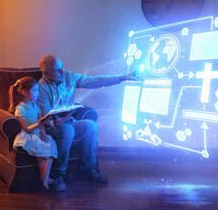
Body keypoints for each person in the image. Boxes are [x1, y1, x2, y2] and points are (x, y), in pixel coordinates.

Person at [37, 54, 139, 192]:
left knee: (91, 125)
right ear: (46, 73)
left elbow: (95, 81)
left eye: (62, 68)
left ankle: (88, 170)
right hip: (52, 127)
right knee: (68, 130)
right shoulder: (41, 87)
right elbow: (46, 117)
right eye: (57, 70)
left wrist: (123, 78)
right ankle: (57, 175)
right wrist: (58, 121)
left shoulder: (69, 77)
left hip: (68, 121)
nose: (62, 72)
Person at [8, 76, 58, 190]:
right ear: (25, 92)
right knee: (41, 150)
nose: (38, 93)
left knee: (51, 151)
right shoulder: (21, 109)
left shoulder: (36, 105)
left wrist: (43, 132)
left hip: (37, 133)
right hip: (28, 135)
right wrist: (38, 124)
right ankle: (45, 178)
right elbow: (26, 128)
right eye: (35, 90)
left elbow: (42, 123)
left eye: (38, 90)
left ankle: (44, 177)